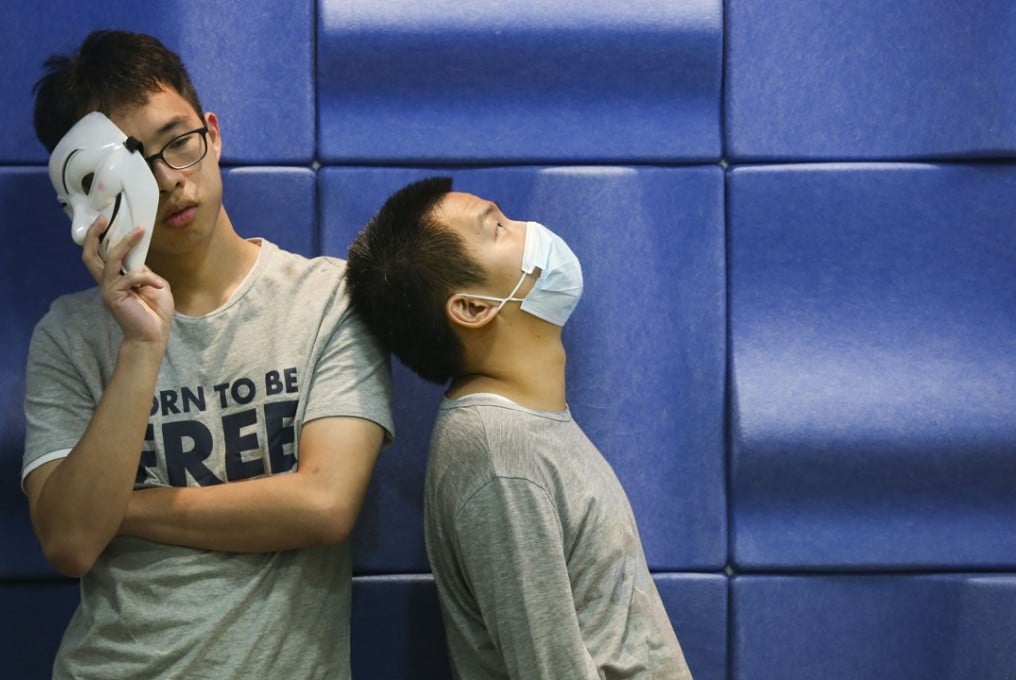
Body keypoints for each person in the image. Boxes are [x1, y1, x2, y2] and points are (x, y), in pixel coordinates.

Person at [22, 29, 393, 679]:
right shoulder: (68, 336)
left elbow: (325, 505)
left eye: (179, 144)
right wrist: (142, 346)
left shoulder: (328, 299)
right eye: (132, 167)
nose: (169, 181)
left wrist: (124, 508)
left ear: (212, 134)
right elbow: (72, 541)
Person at [345, 176, 693, 679]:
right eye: (500, 228)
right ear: (472, 307)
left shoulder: (519, 430)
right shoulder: (497, 454)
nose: (533, 230)